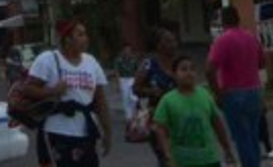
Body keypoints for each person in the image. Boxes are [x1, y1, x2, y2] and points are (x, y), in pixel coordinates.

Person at [23, 18, 113, 167]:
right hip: (56, 132)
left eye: (85, 34)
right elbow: (27, 89)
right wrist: (52, 91)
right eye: (80, 35)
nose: (86, 38)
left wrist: (108, 133)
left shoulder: (91, 62)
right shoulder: (48, 59)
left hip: (85, 134)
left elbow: (101, 101)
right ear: (67, 39)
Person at [205, 6, 265, 167]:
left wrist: (217, 93)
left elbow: (209, 69)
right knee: (252, 135)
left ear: (223, 21)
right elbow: (262, 63)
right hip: (254, 91)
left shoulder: (223, 40)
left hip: (233, 93)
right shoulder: (251, 37)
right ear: (238, 18)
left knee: (241, 137)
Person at [153, 53, 237, 167]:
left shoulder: (205, 95)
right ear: (174, 74)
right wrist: (167, 154)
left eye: (192, 69)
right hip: (181, 161)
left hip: (209, 159)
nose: (189, 73)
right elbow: (159, 128)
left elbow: (217, 123)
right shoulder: (167, 100)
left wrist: (227, 149)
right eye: (183, 69)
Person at [134, 27, 180, 167]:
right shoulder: (149, 64)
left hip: (178, 115)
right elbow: (136, 88)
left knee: (179, 155)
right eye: (168, 41)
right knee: (165, 156)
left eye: (174, 40)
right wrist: (151, 91)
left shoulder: (179, 64)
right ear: (158, 45)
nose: (173, 44)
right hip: (157, 117)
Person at [114, 43, 140, 119]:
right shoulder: (118, 60)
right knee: (125, 98)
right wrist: (118, 83)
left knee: (133, 97)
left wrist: (137, 81)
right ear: (123, 50)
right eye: (125, 50)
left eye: (128, 50)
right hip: (123, 79)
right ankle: (128, 117)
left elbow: (137, 70)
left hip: (132, 79)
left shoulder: (134, 59)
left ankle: (134, 114)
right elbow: (117, 72)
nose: (127, 51)